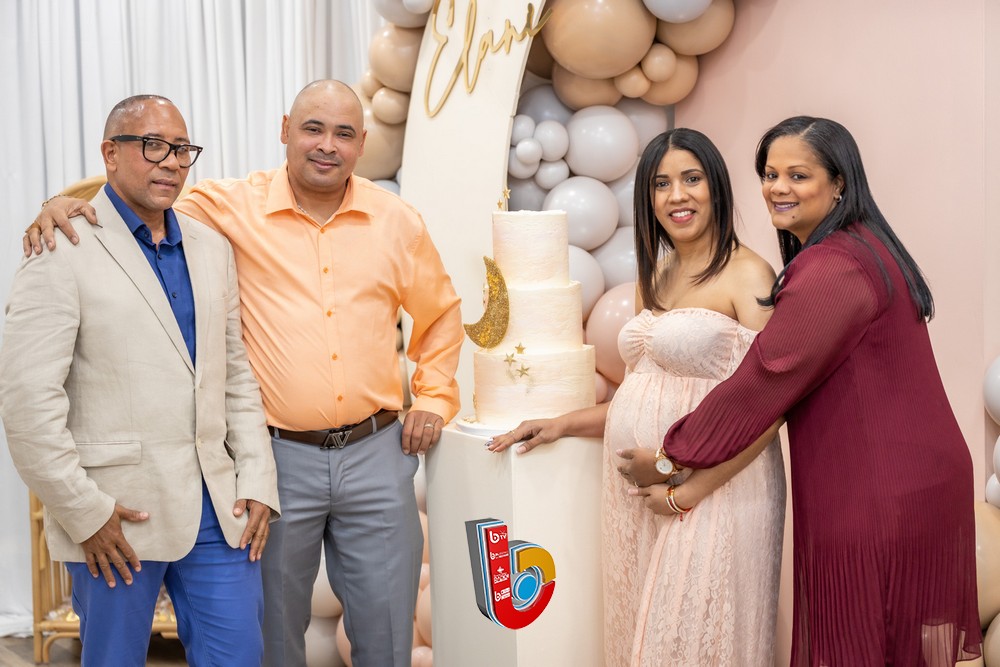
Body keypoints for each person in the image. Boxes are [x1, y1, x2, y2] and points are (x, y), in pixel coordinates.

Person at [27, 80, 464, 667]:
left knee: (387, 634)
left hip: (376, 452)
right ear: (285, 130)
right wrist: (56, 204)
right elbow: (130, 203)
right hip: (277, 461)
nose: (326, 145)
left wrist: (433, 395)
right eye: (312, 128)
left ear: (362, 144)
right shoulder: (225, 207)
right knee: (271, 635)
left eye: (343, 133)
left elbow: (441, 313)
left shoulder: (397, 220)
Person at [654, 116, 983, 665]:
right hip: (912, 482)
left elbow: (767, 378)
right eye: (769, 174)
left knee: (860, 646)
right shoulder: (862, 246)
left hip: (879, 492)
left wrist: (673, 454)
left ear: (839, 185)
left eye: (798, 175)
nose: (777, 188)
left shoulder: (834, 267)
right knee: (904, 651)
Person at [0, 95, 280, 666]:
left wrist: (256, 476)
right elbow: (28, 402)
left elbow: (235, 374)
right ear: (110, 153)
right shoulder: (59, 247)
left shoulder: (212, 247)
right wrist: (84, 511)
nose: (171, 161)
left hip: (219, 511)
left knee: (240, 655)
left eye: (182, 149)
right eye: (153, 146)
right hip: (115, 516)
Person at [489, 128, 786, 666]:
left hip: (715, 489)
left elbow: (768, 406)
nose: (677, 196)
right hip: (640, 494)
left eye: (692, 179)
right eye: (661, 184)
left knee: (695, 642)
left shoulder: (749, 274)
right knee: (642, 634)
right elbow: (646, 391)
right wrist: (562, 423)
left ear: (717, 186)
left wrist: (678, 473)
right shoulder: (659, 274)